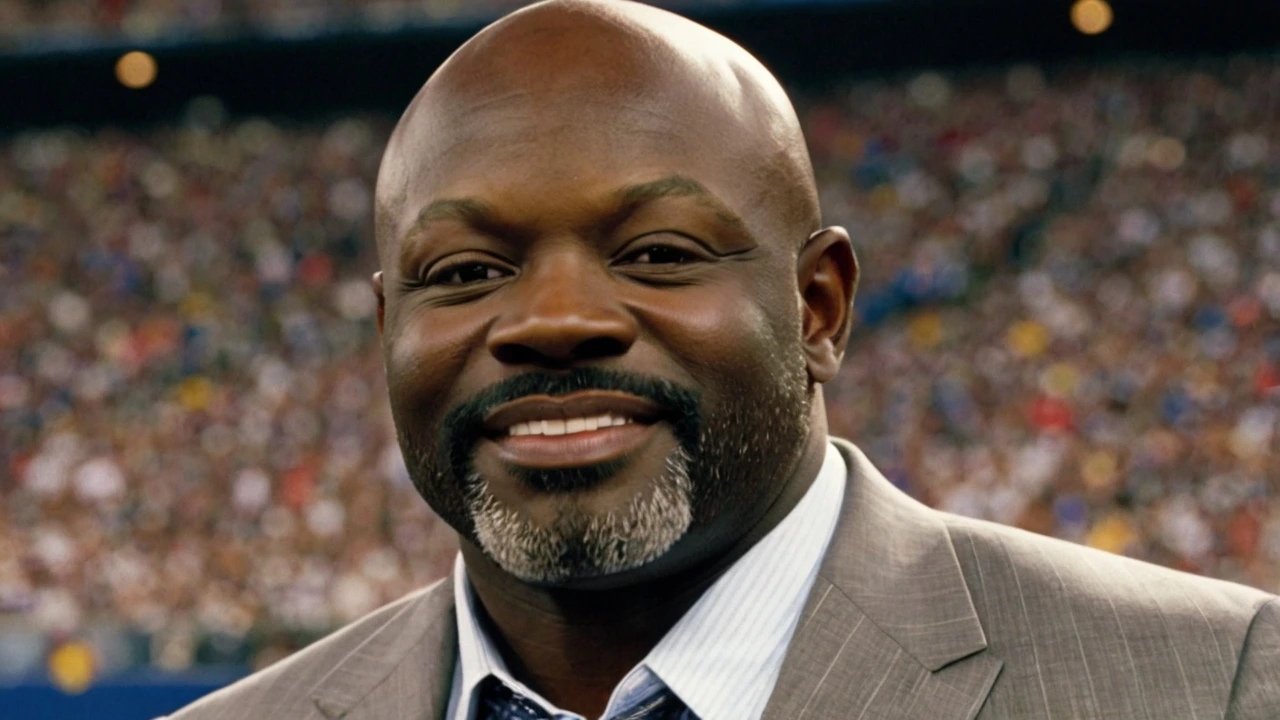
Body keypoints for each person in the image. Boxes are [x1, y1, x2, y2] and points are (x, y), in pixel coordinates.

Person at [166, 1, 1280, 718]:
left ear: (817, 307)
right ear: (386, 330)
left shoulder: (1205, 682)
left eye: (657, 253)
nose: (553, 321)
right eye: (464, 271)